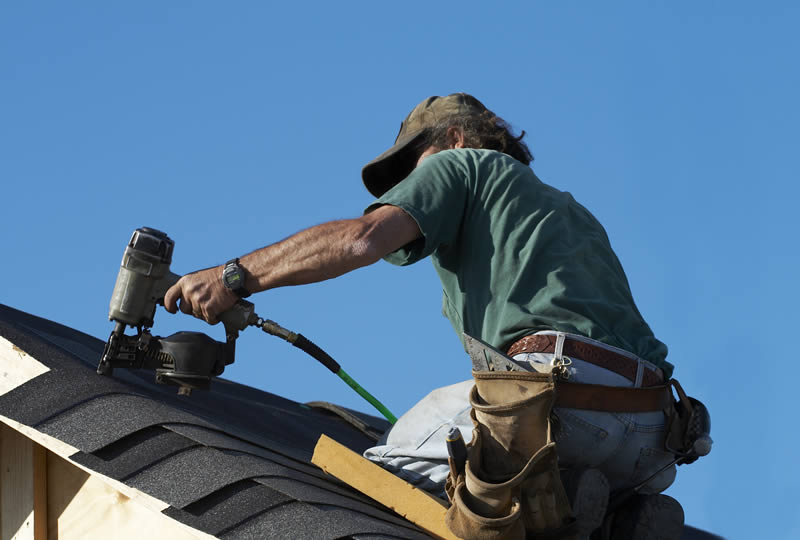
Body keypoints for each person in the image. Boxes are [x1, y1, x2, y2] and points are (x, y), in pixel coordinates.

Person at [164, 93, 685, 539]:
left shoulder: (462, 164)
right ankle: (603, 512)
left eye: (415, 162)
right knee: (558, 506)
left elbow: (360, 239)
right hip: (652, 434)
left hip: (556, 403)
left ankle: (526, 489)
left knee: (386, 466)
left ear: (456, 138)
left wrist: (231, 278)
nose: (410, 181)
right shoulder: (569, 212)